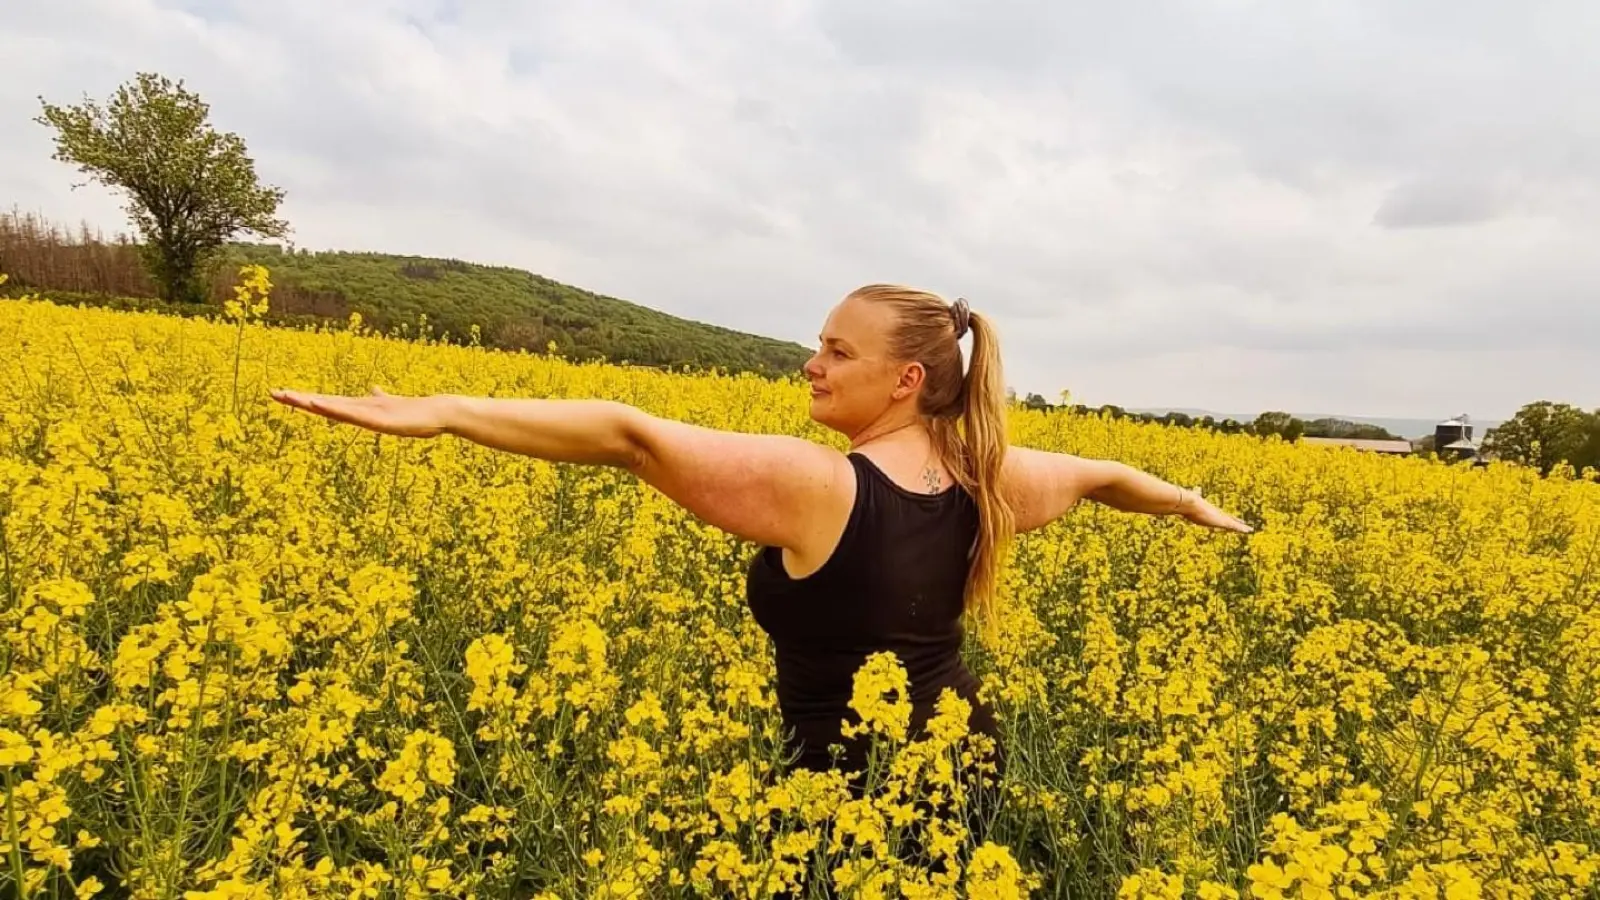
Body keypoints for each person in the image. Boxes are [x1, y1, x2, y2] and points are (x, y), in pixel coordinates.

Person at [268, 283, 1252, 864]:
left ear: (904, 380)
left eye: (835, 351)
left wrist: (441, 410)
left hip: (844, 786)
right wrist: (1193, 505)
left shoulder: (816, 485)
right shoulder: (990, 477)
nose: (810, 364)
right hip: (963, 758)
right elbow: (1107, 477)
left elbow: (626, 434)